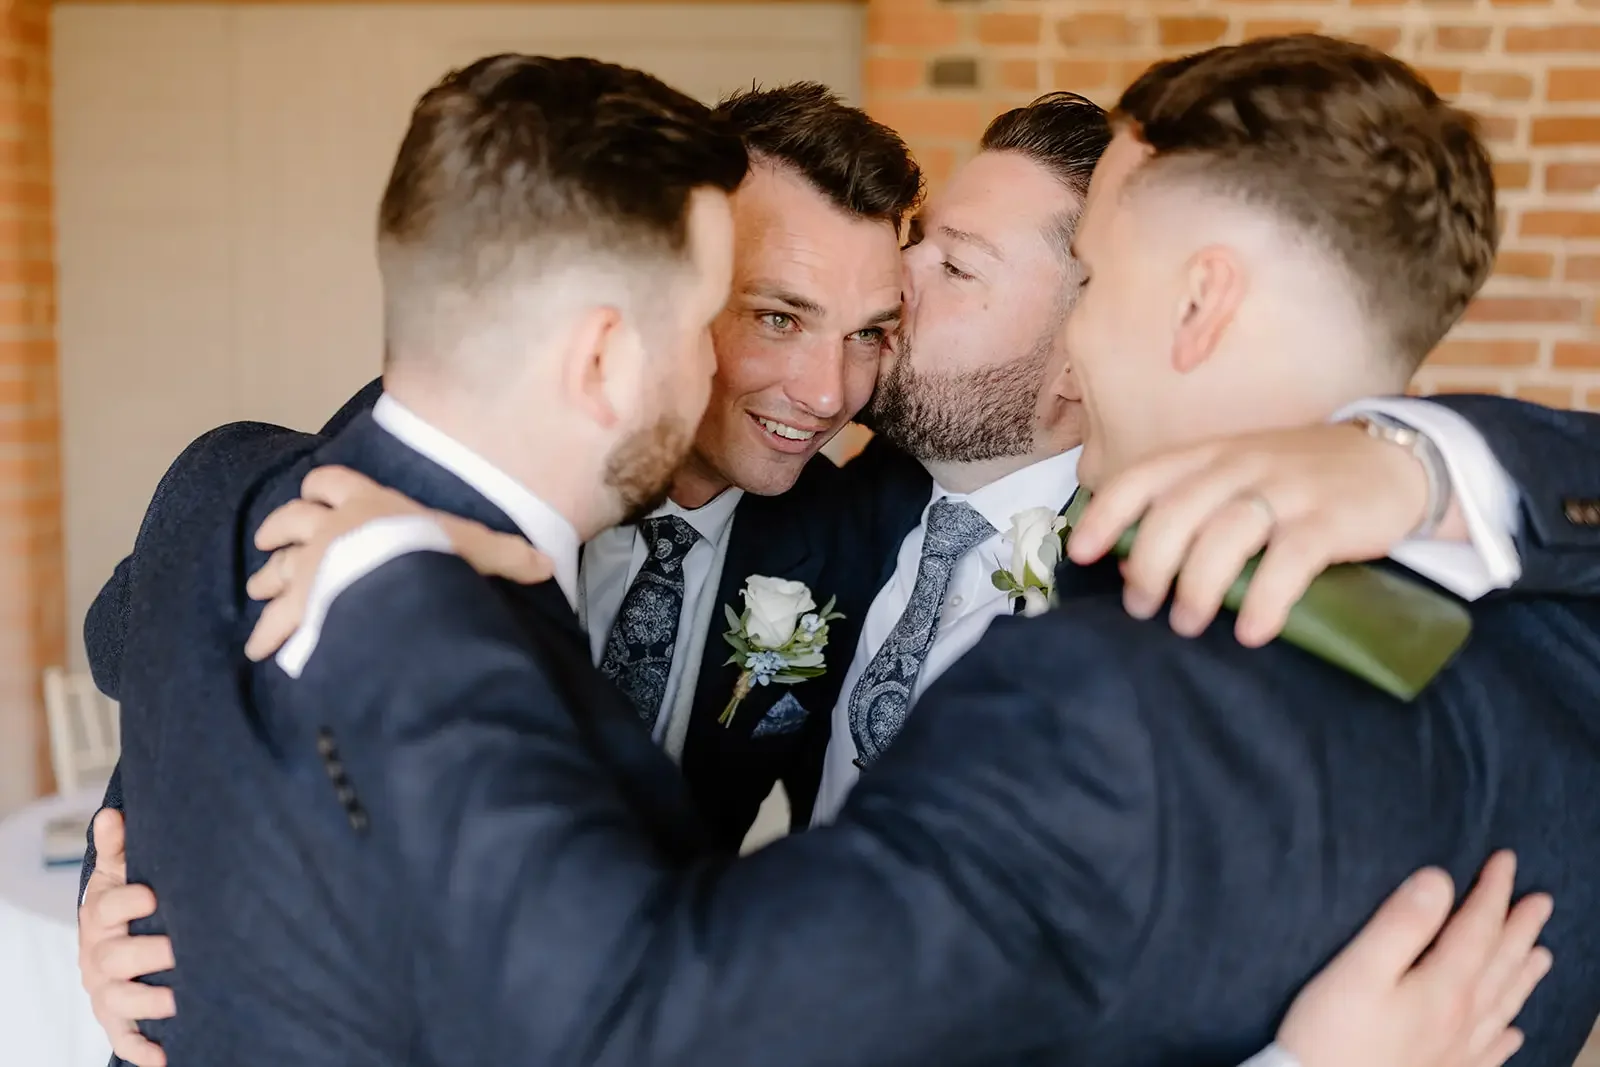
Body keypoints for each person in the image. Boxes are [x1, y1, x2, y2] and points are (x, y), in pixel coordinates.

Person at [128, 37, 1591, 1067]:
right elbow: (161, 670)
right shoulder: (1557, 657)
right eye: (764, 311)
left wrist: (402, 597)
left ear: (1196, 304)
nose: (831, 389)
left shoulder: (1077, 688)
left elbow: (656, 1016)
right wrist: (1429, 459)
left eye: (901, 307)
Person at [104, 53, 745, 1065]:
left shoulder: (211, 480)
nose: (721, 364)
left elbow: (124, 647)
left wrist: (138, 849)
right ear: (601, 359)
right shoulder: (553, 740)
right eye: (709, 321)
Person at [79, 82, 918, 851]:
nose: (826, 392)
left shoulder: (844, 539)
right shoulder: (417, 454)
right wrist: (120, 889)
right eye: (777, 317)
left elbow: (837, 838)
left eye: (869, 334)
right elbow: (137, 653)